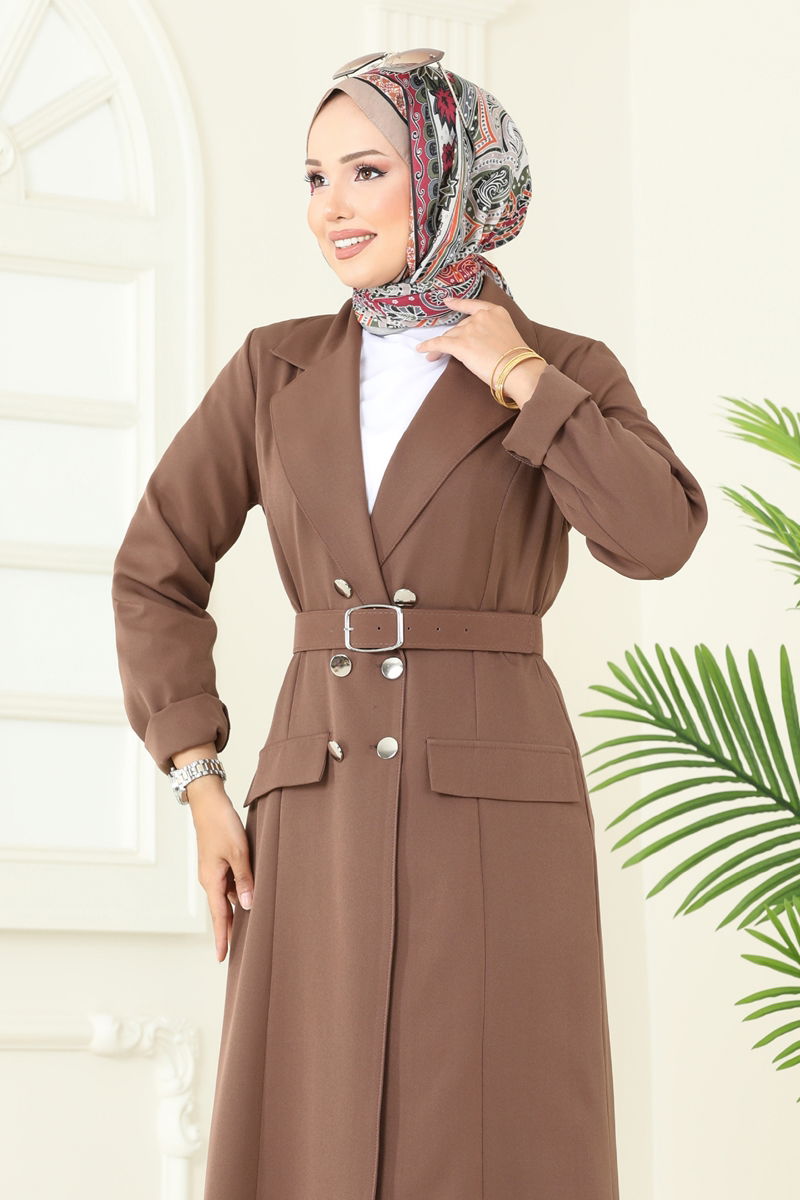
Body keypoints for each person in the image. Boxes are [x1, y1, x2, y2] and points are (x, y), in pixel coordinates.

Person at [111, 48, 708, 1200]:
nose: (330, 207)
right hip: (314, 798)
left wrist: (520, 375)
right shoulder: (274, 367)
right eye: (314, 176)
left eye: (366, 171)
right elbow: (153, 569)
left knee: (489, 1123)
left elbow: (657, 536)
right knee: (312, 1125)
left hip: (491, 799)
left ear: (447, 182)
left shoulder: (566, 366)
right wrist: (197, 779)